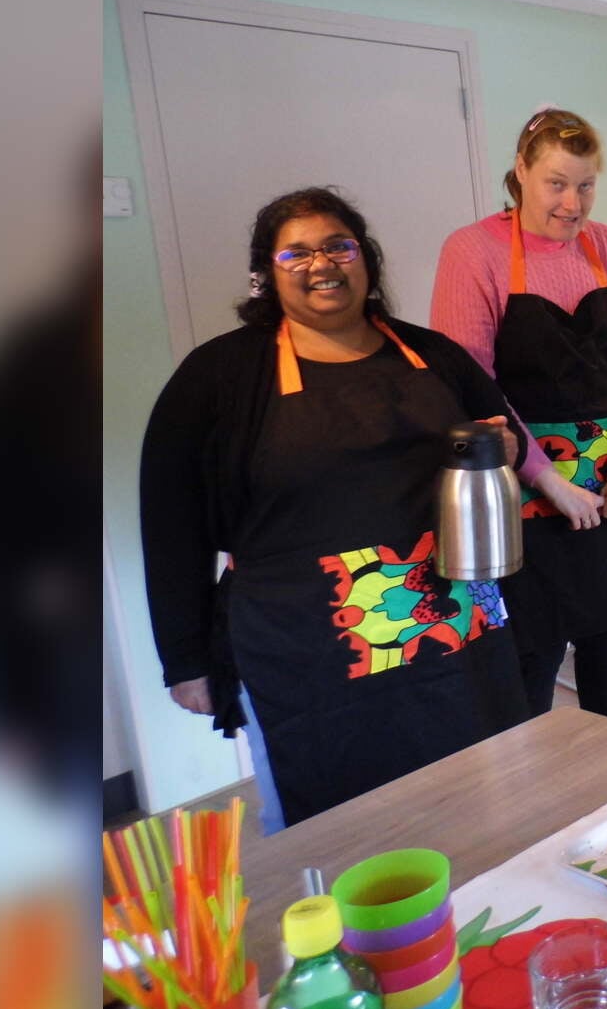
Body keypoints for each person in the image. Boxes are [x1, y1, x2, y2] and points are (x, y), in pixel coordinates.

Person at [141, 187, 531, 830]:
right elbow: (169, 523)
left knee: (483, 804)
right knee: (340, 833)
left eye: (338, 245)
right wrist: (183, 658)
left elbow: (503, 437)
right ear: (265, 275)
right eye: (295, 253)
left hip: (458, 630)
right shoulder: (218, 378)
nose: (320, 263)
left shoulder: (433, 354)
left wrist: (507, 447)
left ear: (366, 260)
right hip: (310, 658)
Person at [432, 107, 607, 722]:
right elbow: (473, 387)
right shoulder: (473, 251)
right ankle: (536, 804)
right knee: (531, 654)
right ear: (521, 171)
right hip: (528, 489)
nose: (572, 203)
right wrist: (550, 481)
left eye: (586, 185)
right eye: (556, 183)